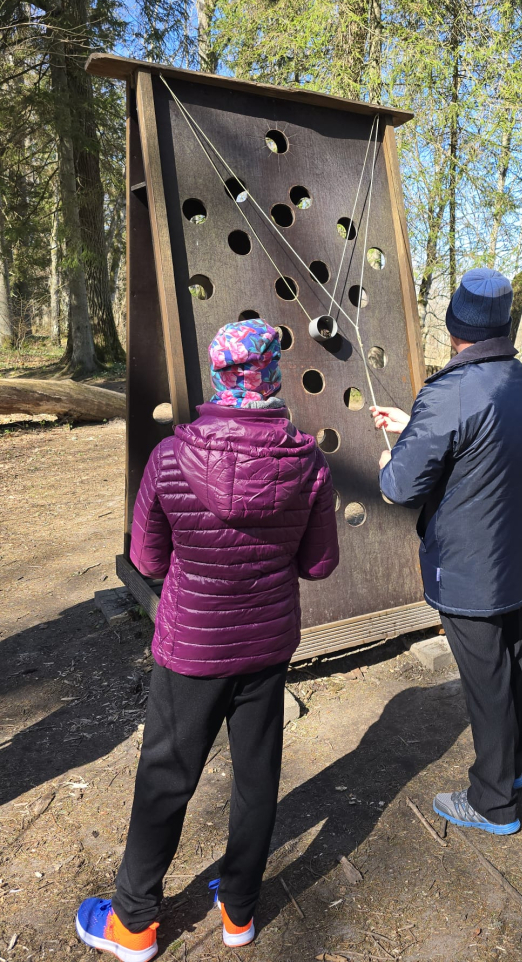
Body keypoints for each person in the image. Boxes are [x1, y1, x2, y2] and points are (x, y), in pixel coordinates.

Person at [75, 319, 339, 961]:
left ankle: (134, 923)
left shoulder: (171, 456)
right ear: (273, 373)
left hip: (192, 645)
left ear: (218, 376)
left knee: (166, 774)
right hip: (267, 646)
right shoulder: (307, 462)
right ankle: (239, 912)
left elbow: (147, 558)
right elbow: (318, 564)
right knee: (256, 778)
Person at [371, 268, 522, 836]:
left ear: (454, 329)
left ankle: (494, 801)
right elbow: (483, 442)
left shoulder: (448, 391)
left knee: (487, 677)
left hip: (472, 566)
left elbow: (400, 487)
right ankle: (513, 771)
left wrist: (391, 461)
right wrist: (415, 426)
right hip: (518, 555)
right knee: (516, 659)